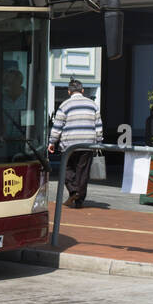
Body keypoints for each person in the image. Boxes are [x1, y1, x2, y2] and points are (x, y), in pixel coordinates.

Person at [48, 79, 103, 208]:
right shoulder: (93, 105)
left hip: (69, 144)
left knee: (66, 169)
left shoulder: (64, 105)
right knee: (82, 172)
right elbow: (98, 125)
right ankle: (79, 200)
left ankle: (73, 191)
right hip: (88, 144)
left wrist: (52, 142)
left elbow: (58, 126)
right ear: (82, 91)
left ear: (69, 91)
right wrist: (99, 141)